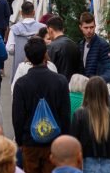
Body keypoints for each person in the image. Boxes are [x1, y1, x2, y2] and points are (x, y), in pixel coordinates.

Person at [12, 37, 71, 173]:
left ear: (27, 57)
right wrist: (64, 138)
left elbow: (18, 116)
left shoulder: (21, 83)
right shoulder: (60, 81)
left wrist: (20, 141)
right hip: (54, 142)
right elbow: (65, 114)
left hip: (30, 142)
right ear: (45, 54)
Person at [70, 77, 110, 173]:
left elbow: (74, 142)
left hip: (87, 164)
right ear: (105, 92)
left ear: (87, 92)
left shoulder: (79, 114)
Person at [6, 3, 45, 85]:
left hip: (20, 65)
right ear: (34, 12)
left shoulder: (14, 29)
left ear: (21, 13)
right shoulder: (42, 28)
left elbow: (10, 48)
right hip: (39, 65)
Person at [77, 14, 110, 84]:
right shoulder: (80, 45)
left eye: (91, 27)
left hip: (97, 88)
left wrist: (96, 82)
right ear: (80, 27)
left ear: (95, 26)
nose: (89, 30)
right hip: (83, 88)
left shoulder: (103, 45)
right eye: (86, 27)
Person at [45, 17, 83, 81]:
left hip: (58, 85)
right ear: (63, 29)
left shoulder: (51, 47)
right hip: (73, 85)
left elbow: (49, 70)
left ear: (50, 30)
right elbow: (80, 69)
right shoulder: (74, 45)